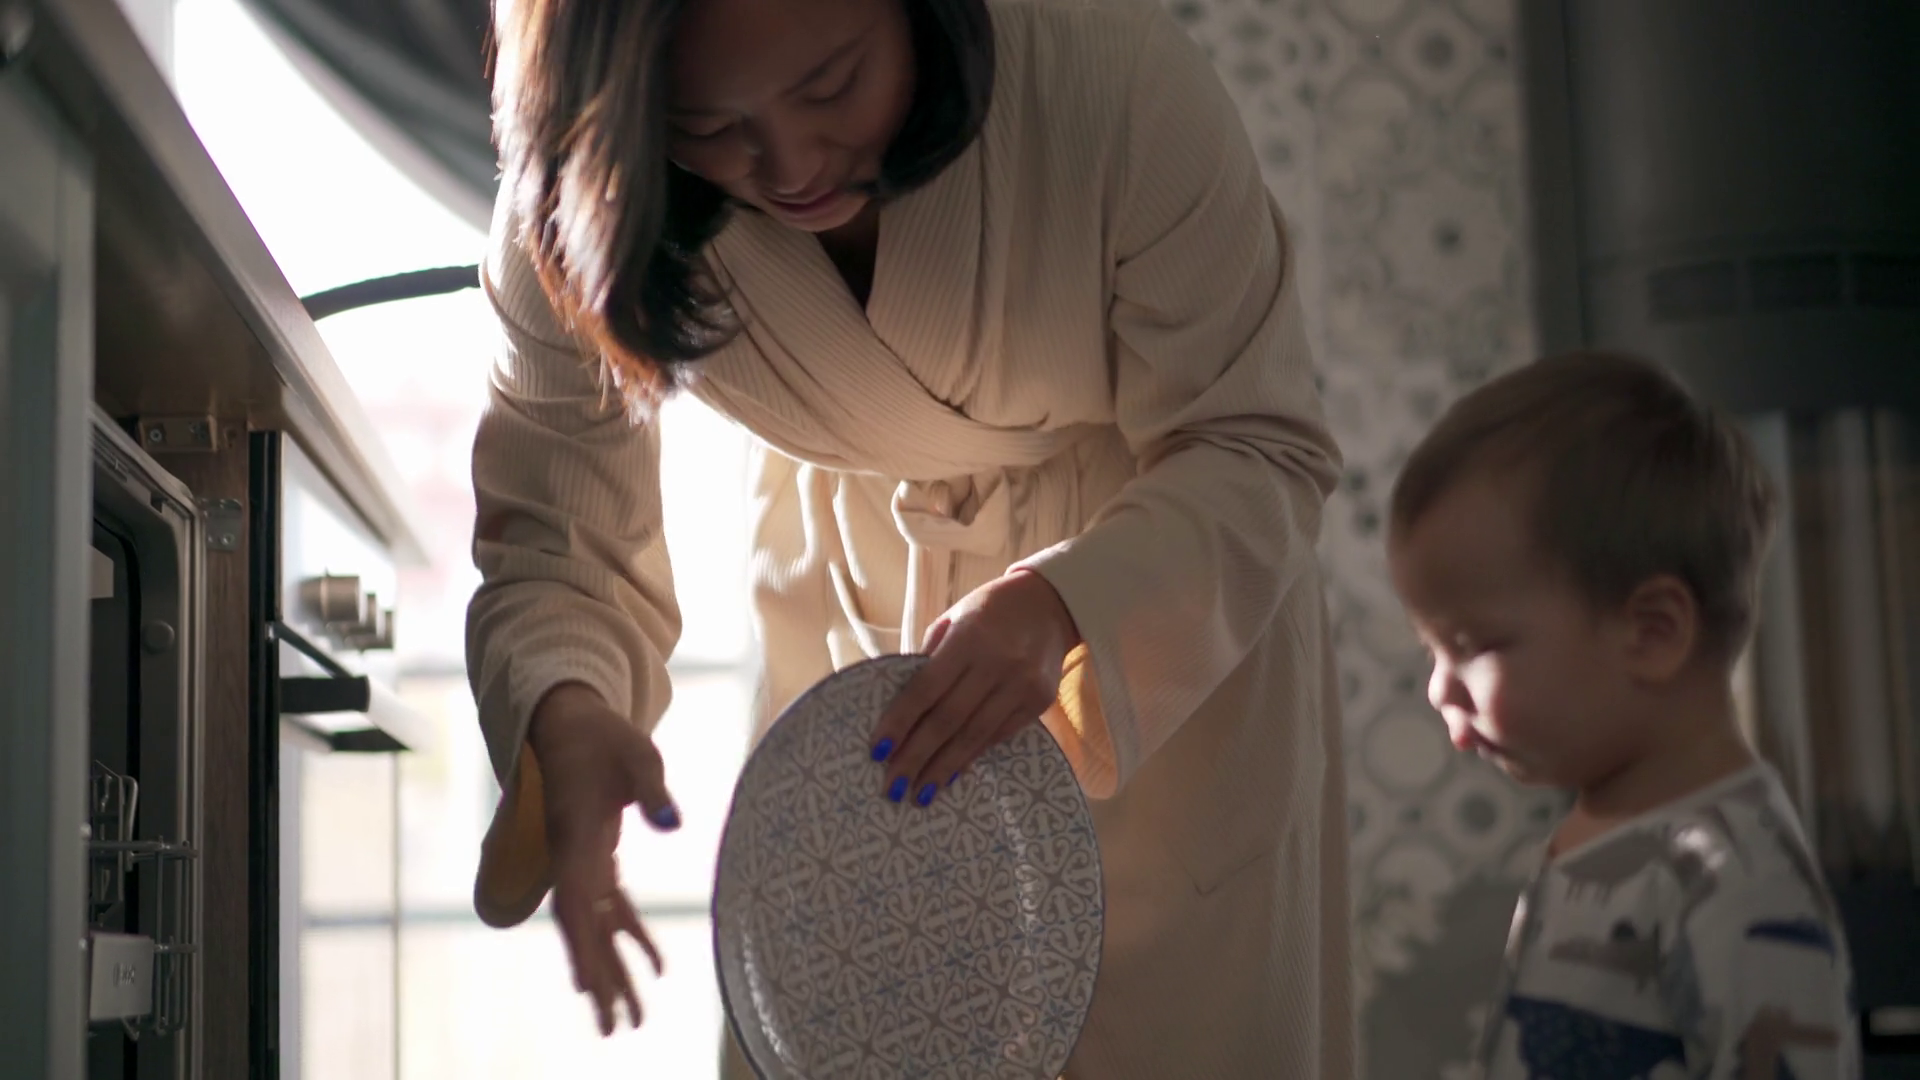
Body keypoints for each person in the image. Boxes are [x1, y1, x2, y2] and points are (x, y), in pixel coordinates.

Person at [466, 0, 1354, 1074]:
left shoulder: (1117, 82)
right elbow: (556, 530)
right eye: (706, 125)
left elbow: (1256, 440)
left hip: (1158, 615)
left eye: (832, 85)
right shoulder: (581, 195)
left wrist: (1065, 607)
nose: (791, 165)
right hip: (850, 633)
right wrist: (567, 710)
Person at [1387, 351, 1859, 1078]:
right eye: (1432, 651)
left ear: (1652, 633)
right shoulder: (1609, 831)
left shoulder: (1734, 880)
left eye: (1470, 645)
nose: (1438, 690)